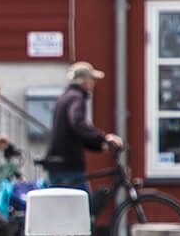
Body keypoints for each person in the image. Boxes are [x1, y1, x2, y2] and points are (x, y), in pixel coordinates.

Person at [42, 62, 123, 190]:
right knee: (83, 202)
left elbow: (74, 133)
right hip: (69, 165)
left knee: (59, 202)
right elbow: (78, 123)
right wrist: (104, 138)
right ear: (84, 81)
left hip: (57, 163)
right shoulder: (77, 98)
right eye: (92, 79)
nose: (94, 83)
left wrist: (99, 145)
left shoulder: (64, 97)